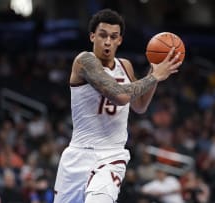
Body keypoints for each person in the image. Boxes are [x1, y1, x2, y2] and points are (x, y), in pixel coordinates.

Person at [53, 8, 182, 203]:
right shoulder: (84, 61)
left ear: (119, 40)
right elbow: (120, 96)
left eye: (113, 37)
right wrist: (155, 76)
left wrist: (153, 71)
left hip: (111, 156)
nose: (107, 41)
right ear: (92, 36)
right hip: (78, 154)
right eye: (102, 35)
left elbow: (139, 106)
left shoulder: (125, 66)